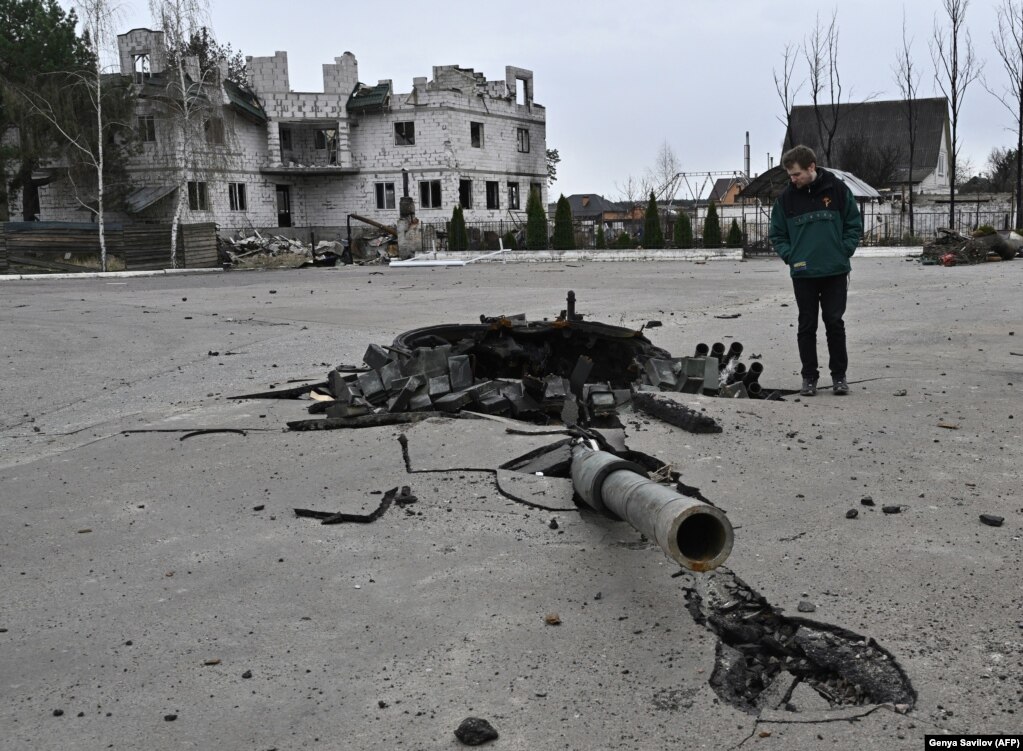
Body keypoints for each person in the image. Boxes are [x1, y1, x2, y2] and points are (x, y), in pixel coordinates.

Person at [769, 145, 862, 396]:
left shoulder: (839, 191)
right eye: (790, 175)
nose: (793, 179)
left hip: (835, 271)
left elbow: (854, 224)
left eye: (796, 174)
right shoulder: (786, 200)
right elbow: (776, 234)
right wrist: (791, 256)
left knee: (834, 323)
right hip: (803, 273)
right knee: (806, 325)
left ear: (811, 167)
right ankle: (809, 377)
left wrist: (844, 250)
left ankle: (839, 377)